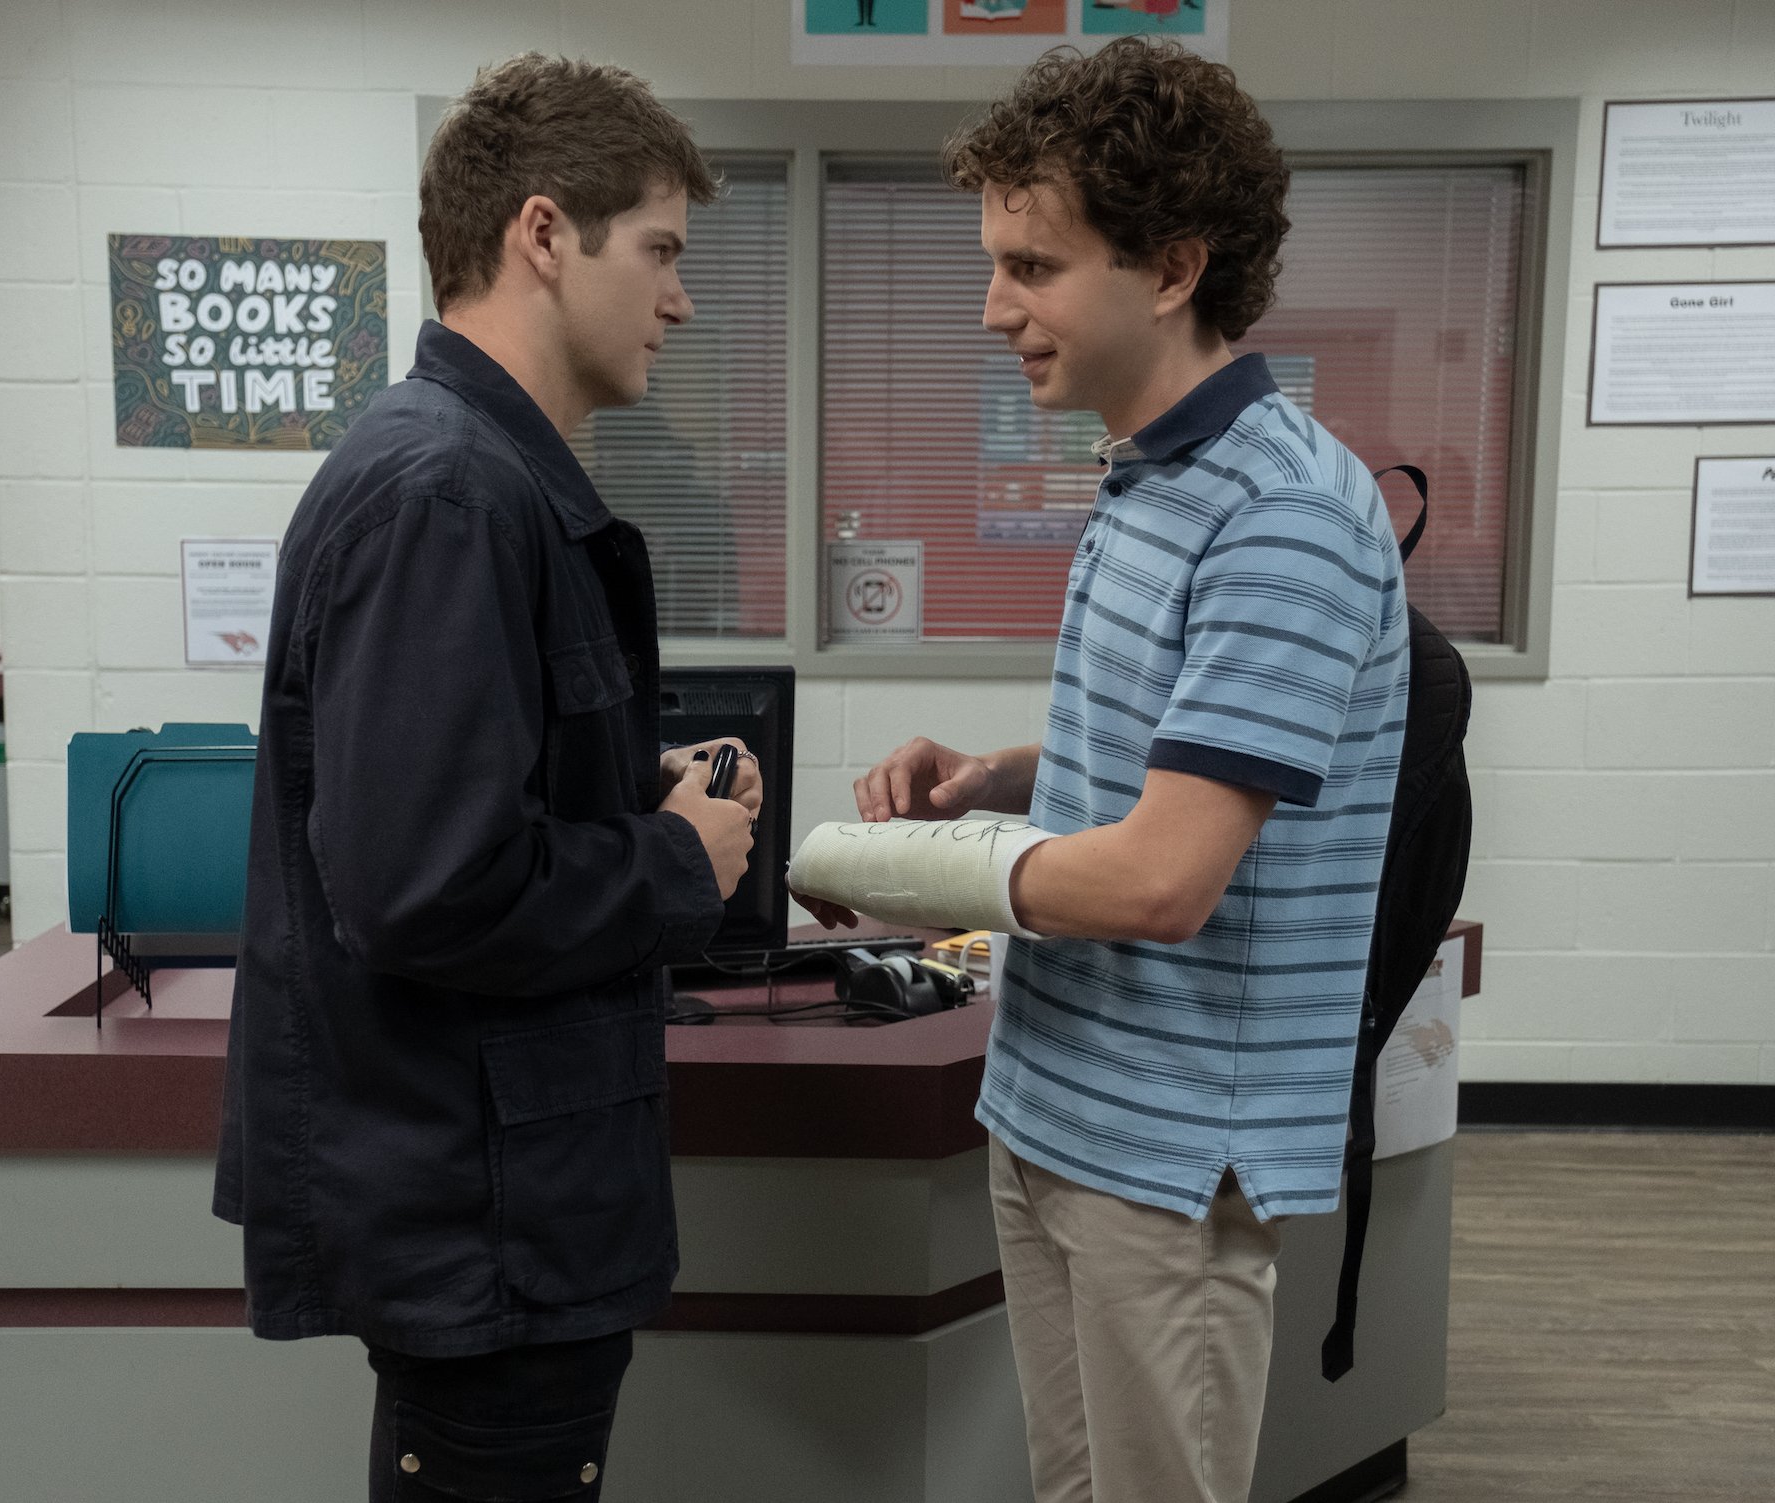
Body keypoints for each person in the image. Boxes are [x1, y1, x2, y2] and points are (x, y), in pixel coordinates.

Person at [795, 40, 1410, 1503]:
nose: (995, 305)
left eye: (1034, 265)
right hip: (1054, 1102)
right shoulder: (1150, 475)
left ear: (1174, 265)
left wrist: (875, 866)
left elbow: (1159, 880)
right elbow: (1166, 765)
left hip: (1169, 1147)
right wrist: (1001, 776)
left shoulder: (1283, 515)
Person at [212, 54, 758, 1503]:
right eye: (658, 252)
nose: (680, 299)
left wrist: (613, 783)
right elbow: (426, 891)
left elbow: (443, 804)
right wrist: (676, 865)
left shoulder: (474, 476)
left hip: (499, 1201)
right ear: (539, 235)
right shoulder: (448, 492)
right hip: (484, 1214)